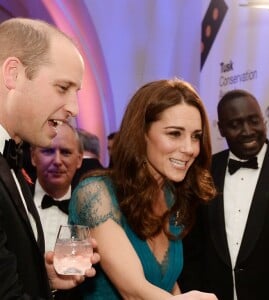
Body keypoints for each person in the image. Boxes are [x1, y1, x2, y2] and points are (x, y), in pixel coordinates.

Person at [69, 78, 218, 299]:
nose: (189, 148)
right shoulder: (96, 194)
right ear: (142, 134)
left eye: (196, 136)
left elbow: (164, 282)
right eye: (174, 133)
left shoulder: (173, 198)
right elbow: (134, 293)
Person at [0, 17, 99, 299]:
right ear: (13, 74)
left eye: (76, 92)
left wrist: (42, 279)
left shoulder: (11, 159)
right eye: (62, 88)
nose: (74, 108)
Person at [179, 89, 269, 300]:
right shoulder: (204, 171)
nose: (247, 131)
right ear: (221, 129)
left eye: (254, 121)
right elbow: (193, 248)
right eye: (235, 125)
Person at [31, 122, 83, 252]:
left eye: (66, 152)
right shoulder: (13, 202)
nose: (57, 161)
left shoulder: (88, 212)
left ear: (79, 159)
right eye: (48, 151)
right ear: (33, 156)